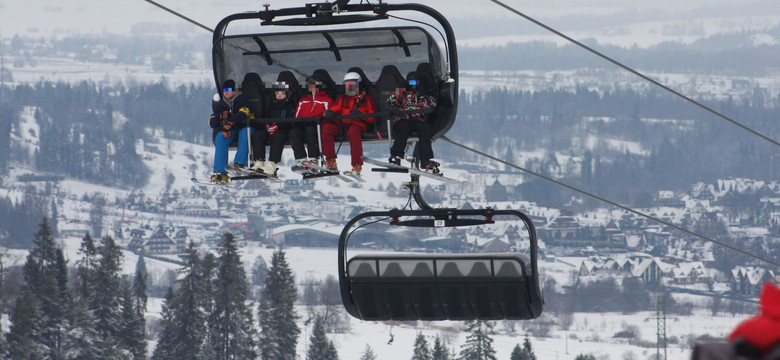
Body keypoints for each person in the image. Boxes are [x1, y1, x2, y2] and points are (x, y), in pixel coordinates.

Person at [321, 72, 377, 175]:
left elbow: (373, 118)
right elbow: (336, 108)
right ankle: (330, 160)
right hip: (342, 125)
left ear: (358, 84)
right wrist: (330, 112)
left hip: (357, 125)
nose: (350, 87)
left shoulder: (366, 99)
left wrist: (360, 115)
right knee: (327, 128)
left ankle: (357, 165)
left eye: (352, 84)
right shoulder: (342, 98)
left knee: (353, 131)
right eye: (347, 84)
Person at [386, 72, 439, 172]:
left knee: (425, 129)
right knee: (403, 128)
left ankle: (425, 160)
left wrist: (423, 94)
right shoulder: (402, 95)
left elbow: (432, 103)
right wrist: (400, 91)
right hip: (404, 119)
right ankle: (396, 156)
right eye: (410, 82)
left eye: (415, 82)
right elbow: (391, 102)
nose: (413, 85)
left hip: (418, 120)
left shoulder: (422, 96)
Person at [254, 81, 306, 175]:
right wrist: (267, 125)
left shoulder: (290, 106)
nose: (280, 95)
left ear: (287, 95)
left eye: (282, 94)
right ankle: (259, 162)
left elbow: (290, 120)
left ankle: (272, 164)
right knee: (258, 135)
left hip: (284, 129)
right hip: (271, 127)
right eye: (277, 93)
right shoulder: (271, 105)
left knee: (278, 136)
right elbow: (267, 117)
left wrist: (277, 126)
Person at [209, 79, 254, 183]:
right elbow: (212, 122)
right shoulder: (222, 104)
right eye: (224, 90)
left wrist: (231, 122)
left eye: (229, 89)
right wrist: (219, 118)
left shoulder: (242, 100)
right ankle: (220, 172)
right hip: (231, 130)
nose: (226, 92)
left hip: (246, 126)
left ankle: (239, 163)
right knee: (220, 137)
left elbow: (244, 112)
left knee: (245, 134)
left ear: (234, 91)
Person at [294, 76, 330, 168]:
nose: (311, 86)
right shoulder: (303, 101)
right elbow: (296, 117)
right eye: (309, 84)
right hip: (303, 125)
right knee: (294, 133)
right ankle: (302, 159)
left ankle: (313, 159)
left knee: (310, 130)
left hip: (317, 126)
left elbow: (328, 115)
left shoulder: (326, 100)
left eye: (313, 84)